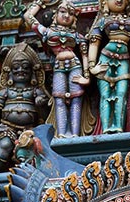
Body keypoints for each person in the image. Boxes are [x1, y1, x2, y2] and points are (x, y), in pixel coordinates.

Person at [24, 0, 89, 136]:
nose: (66, 16)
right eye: (63, 12)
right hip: (58, 67)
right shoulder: (47, 32)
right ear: (55, 15)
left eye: (71, 13)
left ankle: (75, 134)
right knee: (59, 99)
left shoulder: (77, 36)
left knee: (76, 99)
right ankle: (62, 133)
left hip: (75, 65)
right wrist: (40, 2)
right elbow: (28, 17)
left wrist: (87, 77)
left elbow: (85, 55)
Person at [0, 42, 49, 172]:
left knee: (32, 148)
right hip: (7, 127)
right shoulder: (5, 91)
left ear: (32, 72)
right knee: (5, 144)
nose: (21, 70)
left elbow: (45, 114)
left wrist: (40, 103)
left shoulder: (35, 90)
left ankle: (30, 172)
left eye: (25, 67)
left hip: (30, 129)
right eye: (16, 67)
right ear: (9, 72)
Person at [88, 0, 130, 133]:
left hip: (124, 60)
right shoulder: (103, 21)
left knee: (121, 93)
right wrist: (92, 67)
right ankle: (106, 129)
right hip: (105, 58)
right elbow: (94, 43)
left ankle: (118, 127)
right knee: (105, 94)